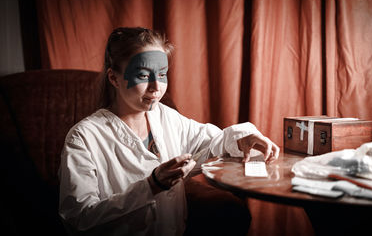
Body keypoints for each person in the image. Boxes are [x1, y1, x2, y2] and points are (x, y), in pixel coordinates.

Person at [58, 27, 280, 236]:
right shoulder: (84, 138)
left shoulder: (165, 116)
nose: (156, 87)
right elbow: (78, 219)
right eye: (144, 76)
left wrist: (243, 138)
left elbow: (212, 143)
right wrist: (151, 186)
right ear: (114, 78)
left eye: (162, 74)